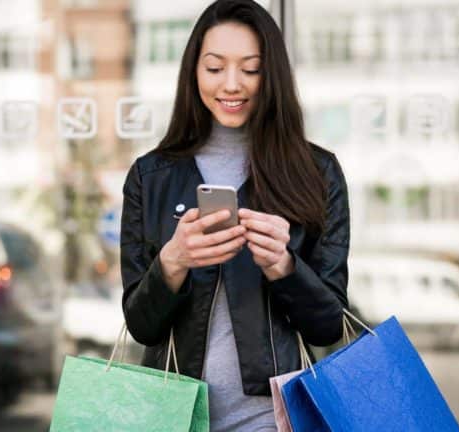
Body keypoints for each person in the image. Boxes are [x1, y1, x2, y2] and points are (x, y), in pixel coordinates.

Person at [119, 0, 350, 430]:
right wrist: (173, 262)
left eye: (250, 68)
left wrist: (284, 266)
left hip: (273, 419)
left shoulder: (317, 173)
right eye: (214, 67)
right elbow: (141, 326)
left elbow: (328, 326)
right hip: (173, 417)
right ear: (194, 72)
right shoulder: (151, 177)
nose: (231, 84)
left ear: (272, 75)